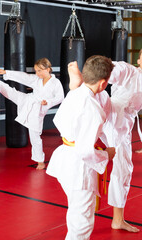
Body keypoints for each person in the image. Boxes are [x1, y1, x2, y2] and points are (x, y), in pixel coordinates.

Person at [46, 57, 115, 240]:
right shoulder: (92, 109)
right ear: (103, 83)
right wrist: (106, 154)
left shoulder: (75, 94)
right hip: (79, 167)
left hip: (65, 157)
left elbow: (57, 120)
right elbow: (85, 151)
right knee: (82, 222)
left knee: (76, 211)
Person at [100, 45, 142, 233]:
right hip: (111, 114)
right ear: (138, 60)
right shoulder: (129, 71)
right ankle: (116, 220)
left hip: (124, 123)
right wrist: (102, 65)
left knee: (123, 168)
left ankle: (117, 219)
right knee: (122, 168)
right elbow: (115, 69)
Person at [0, 58, 64, 169]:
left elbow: (60, 97)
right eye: (36, 71)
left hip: (38, 109)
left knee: (34, 136)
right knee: (10, 92)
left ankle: (40, 161)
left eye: (39, 71)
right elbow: (24, 77)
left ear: (48, 69)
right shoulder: (36, 79)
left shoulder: (55, 83)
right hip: (28, 100)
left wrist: (48, 102)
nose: (37, 73)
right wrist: (7, 73)